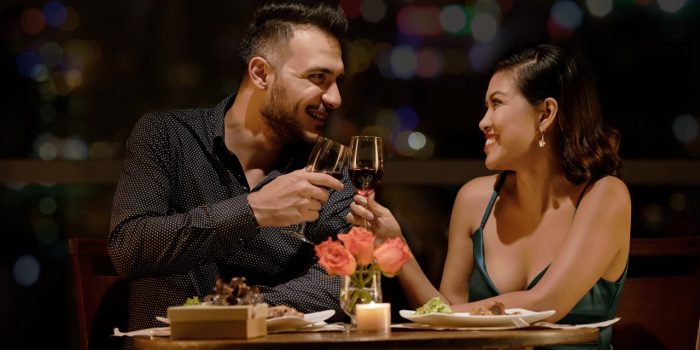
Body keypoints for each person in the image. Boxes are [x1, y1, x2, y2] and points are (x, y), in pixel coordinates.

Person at [348, 44, 630, 350]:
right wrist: (395, 247)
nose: (483, 122)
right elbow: (446, 325)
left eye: (497, 104)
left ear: (546, 113)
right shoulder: (475, 200)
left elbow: (546, 302)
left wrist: (430, 318)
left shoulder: (604, 195)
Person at [109, 2, 353, 348]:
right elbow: (130, 246)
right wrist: (252, 211)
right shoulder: (167, 136)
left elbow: (339, 281)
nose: (335, 98)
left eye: (337, 81)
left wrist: (240, 310)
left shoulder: (330, 167)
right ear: (261, 74)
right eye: (318, 78)